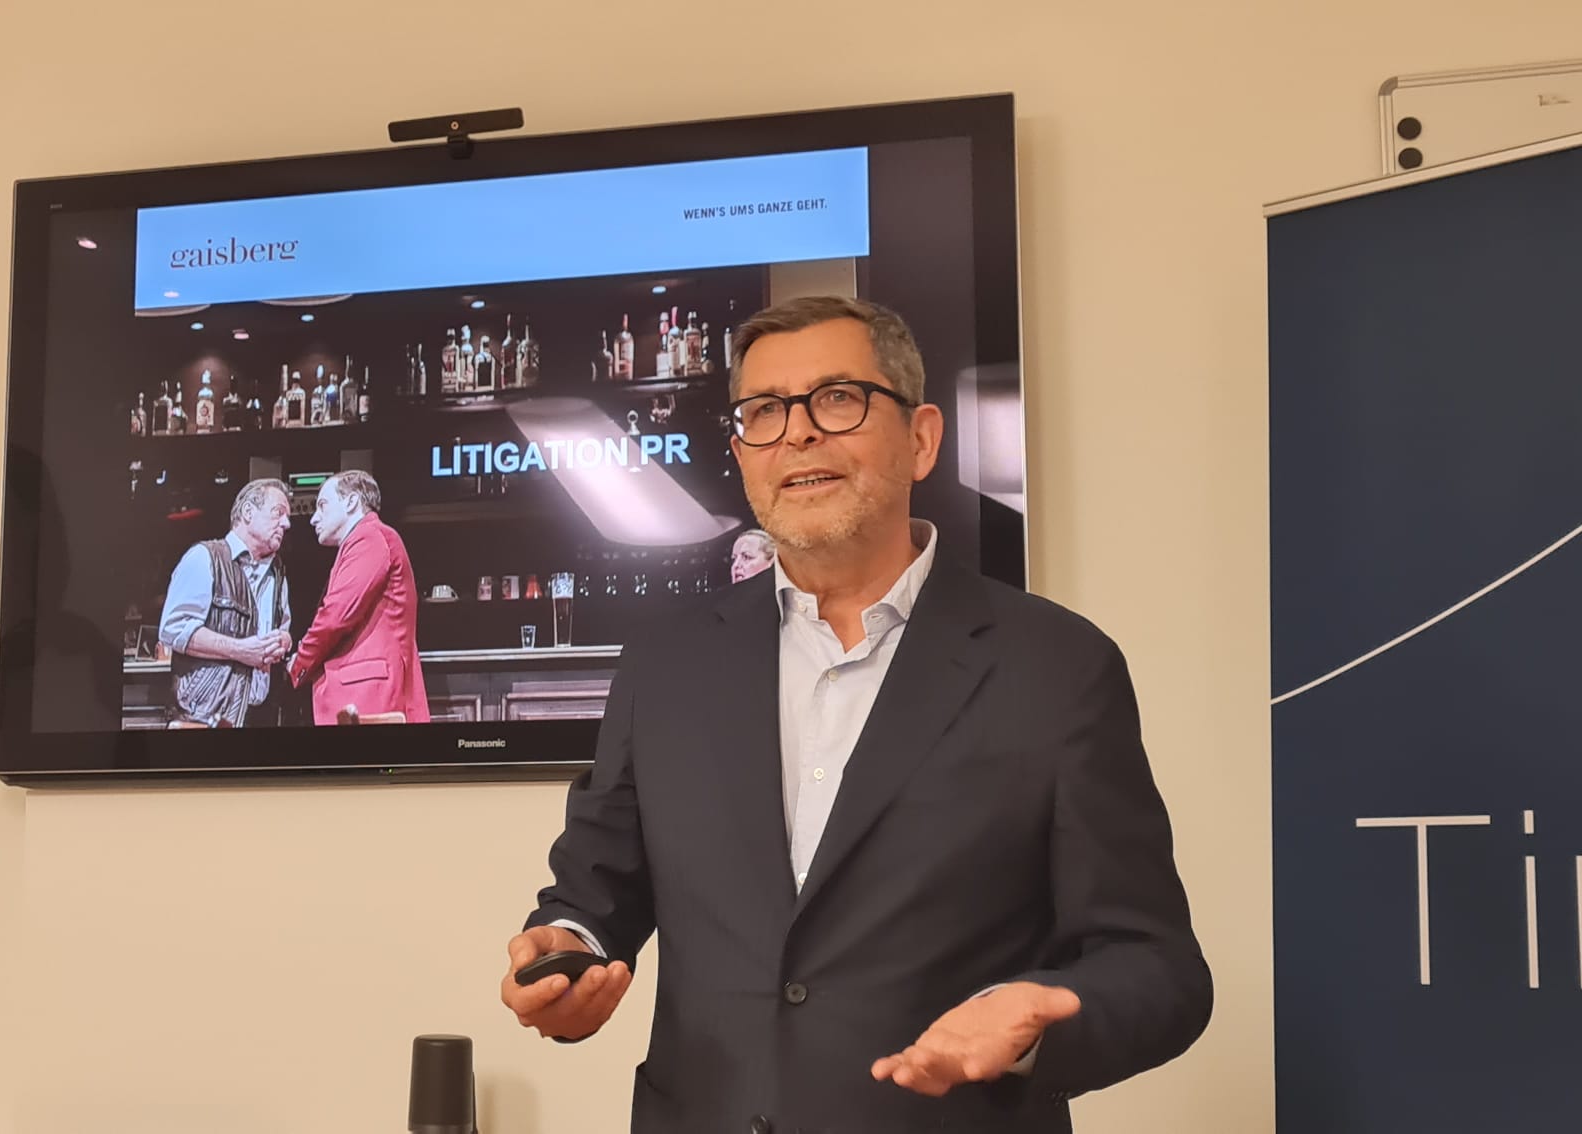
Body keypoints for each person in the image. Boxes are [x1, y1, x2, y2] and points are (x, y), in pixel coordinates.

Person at [500, 296, 1211, 1133]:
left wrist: (1037, 1022)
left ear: (922, 438)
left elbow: (1157, 968)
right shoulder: (666, 663)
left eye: (838, 399)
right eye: (764, 411)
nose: (798, 433)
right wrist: (566, 956)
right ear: (742, 453)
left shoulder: (1055, 665)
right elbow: (594, 898)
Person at [286, 470, 430, 724]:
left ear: (351, 502)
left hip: (367, 693)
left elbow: (335, 616)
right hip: (365, 691)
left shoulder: (369, 537)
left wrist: (300, 661)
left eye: (322, 505)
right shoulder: (367, 539)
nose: (313, 518)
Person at [158, 478, 293, 728]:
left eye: (287, 517)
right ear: (248, 512)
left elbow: (282, 629)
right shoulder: (204, 557)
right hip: (204, 717)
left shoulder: (277, 573)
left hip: (260, 715)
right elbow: (174, 628)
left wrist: (283, 641)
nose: (287, 523)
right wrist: (241, 650)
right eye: (278, 513)